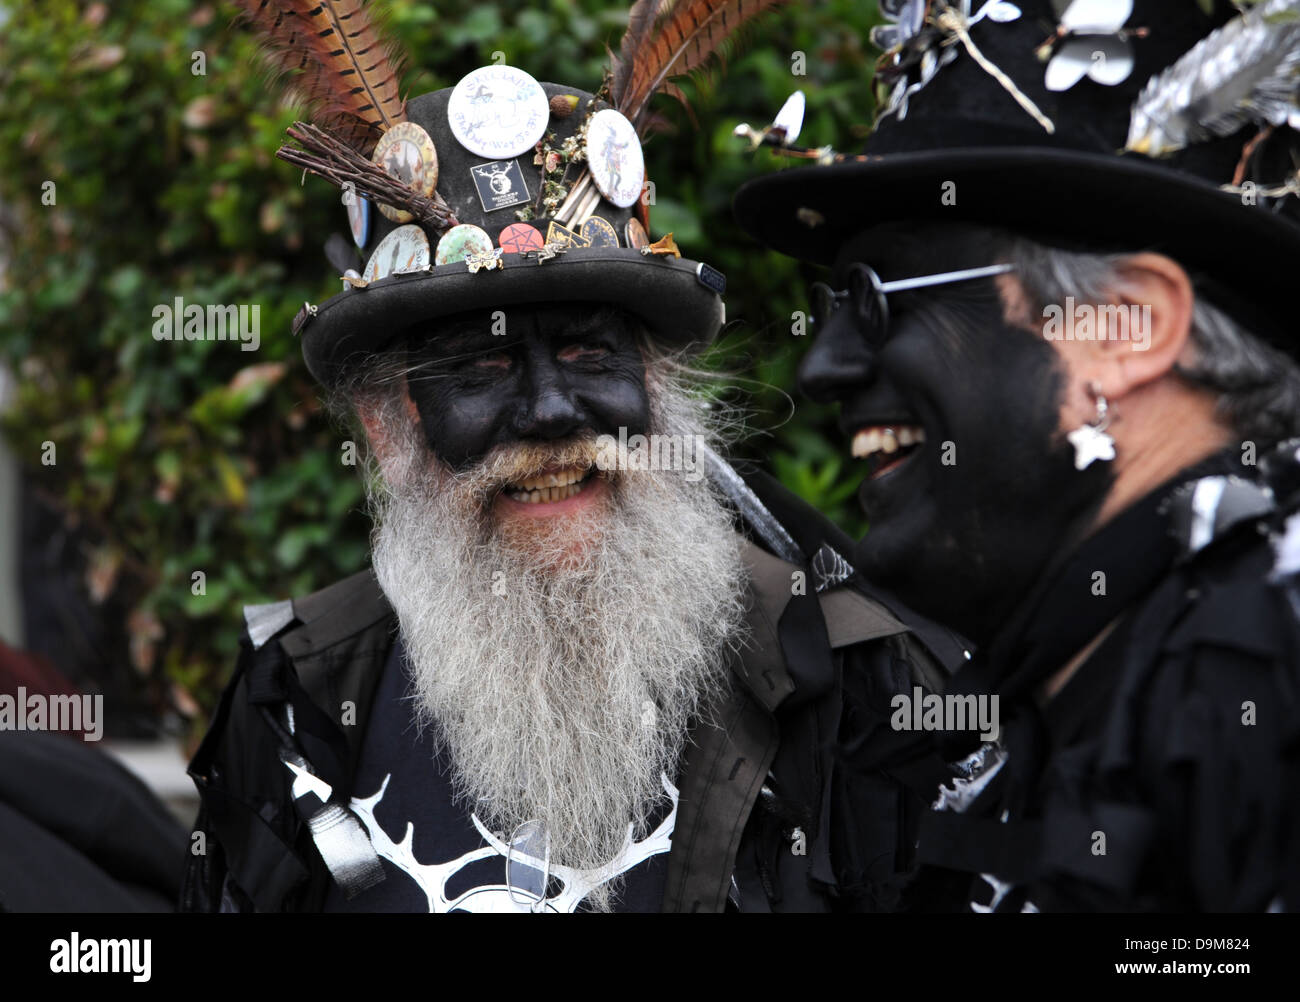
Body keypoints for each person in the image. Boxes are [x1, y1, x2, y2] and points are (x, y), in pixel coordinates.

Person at [181, 1, 962, 913]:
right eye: (481, 366)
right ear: (390, 424)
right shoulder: (297, 700)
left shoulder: (855, 678)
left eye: (593, 353)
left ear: (659, 388)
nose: (552, 413)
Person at [734, 0, 1300, 911]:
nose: (825, 363)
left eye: (879, 294)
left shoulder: (1266, 673)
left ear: (1127, 329)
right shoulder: (1046, 712)